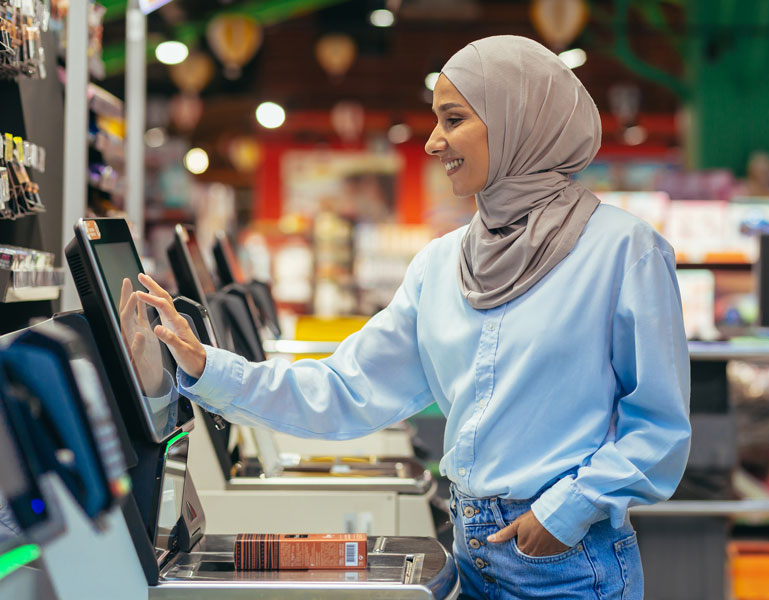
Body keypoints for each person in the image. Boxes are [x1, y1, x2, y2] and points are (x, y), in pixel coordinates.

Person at [133, 35, 691, 600]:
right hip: (471, 550)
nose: (432, 142)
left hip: (567, 563)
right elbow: (345, 388)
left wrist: (564, 515)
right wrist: (206, 366)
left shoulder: (624, 251)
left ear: (517, 119)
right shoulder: (441, 264)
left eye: (453, 119)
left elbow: (660, 429)